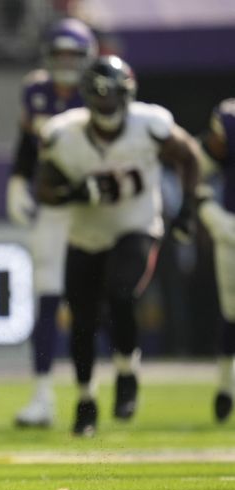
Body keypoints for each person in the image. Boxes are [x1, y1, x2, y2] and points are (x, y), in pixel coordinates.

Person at [34, 55, 199, 436]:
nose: (106, 104)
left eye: (112, 96)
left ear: (128, 94)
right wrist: (73, 191)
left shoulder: (150, 125)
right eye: (99, 96)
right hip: (85, 234)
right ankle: (85, 399)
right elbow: (45, 189)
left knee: (121, 292)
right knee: (83, 322)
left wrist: (188, 209)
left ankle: (127, 371)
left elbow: (189, 155)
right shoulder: (64, 134)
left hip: (136, 225)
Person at [7, 18, 98, 428]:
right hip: (53, 206)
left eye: (73, 55)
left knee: (93, 301)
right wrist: (17, 179)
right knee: (47, 296)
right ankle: (43, 395)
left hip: (99, 212)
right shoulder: (36, 90)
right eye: (59, 54)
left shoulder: (102, 88)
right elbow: (28, 142)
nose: (65, 63)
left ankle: (98, 388)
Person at [197, 99, 235, 423]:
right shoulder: (229, 118)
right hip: (232, 233)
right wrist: (211, 213)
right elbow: (194, 172)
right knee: (233, 313)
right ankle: (225, 386)